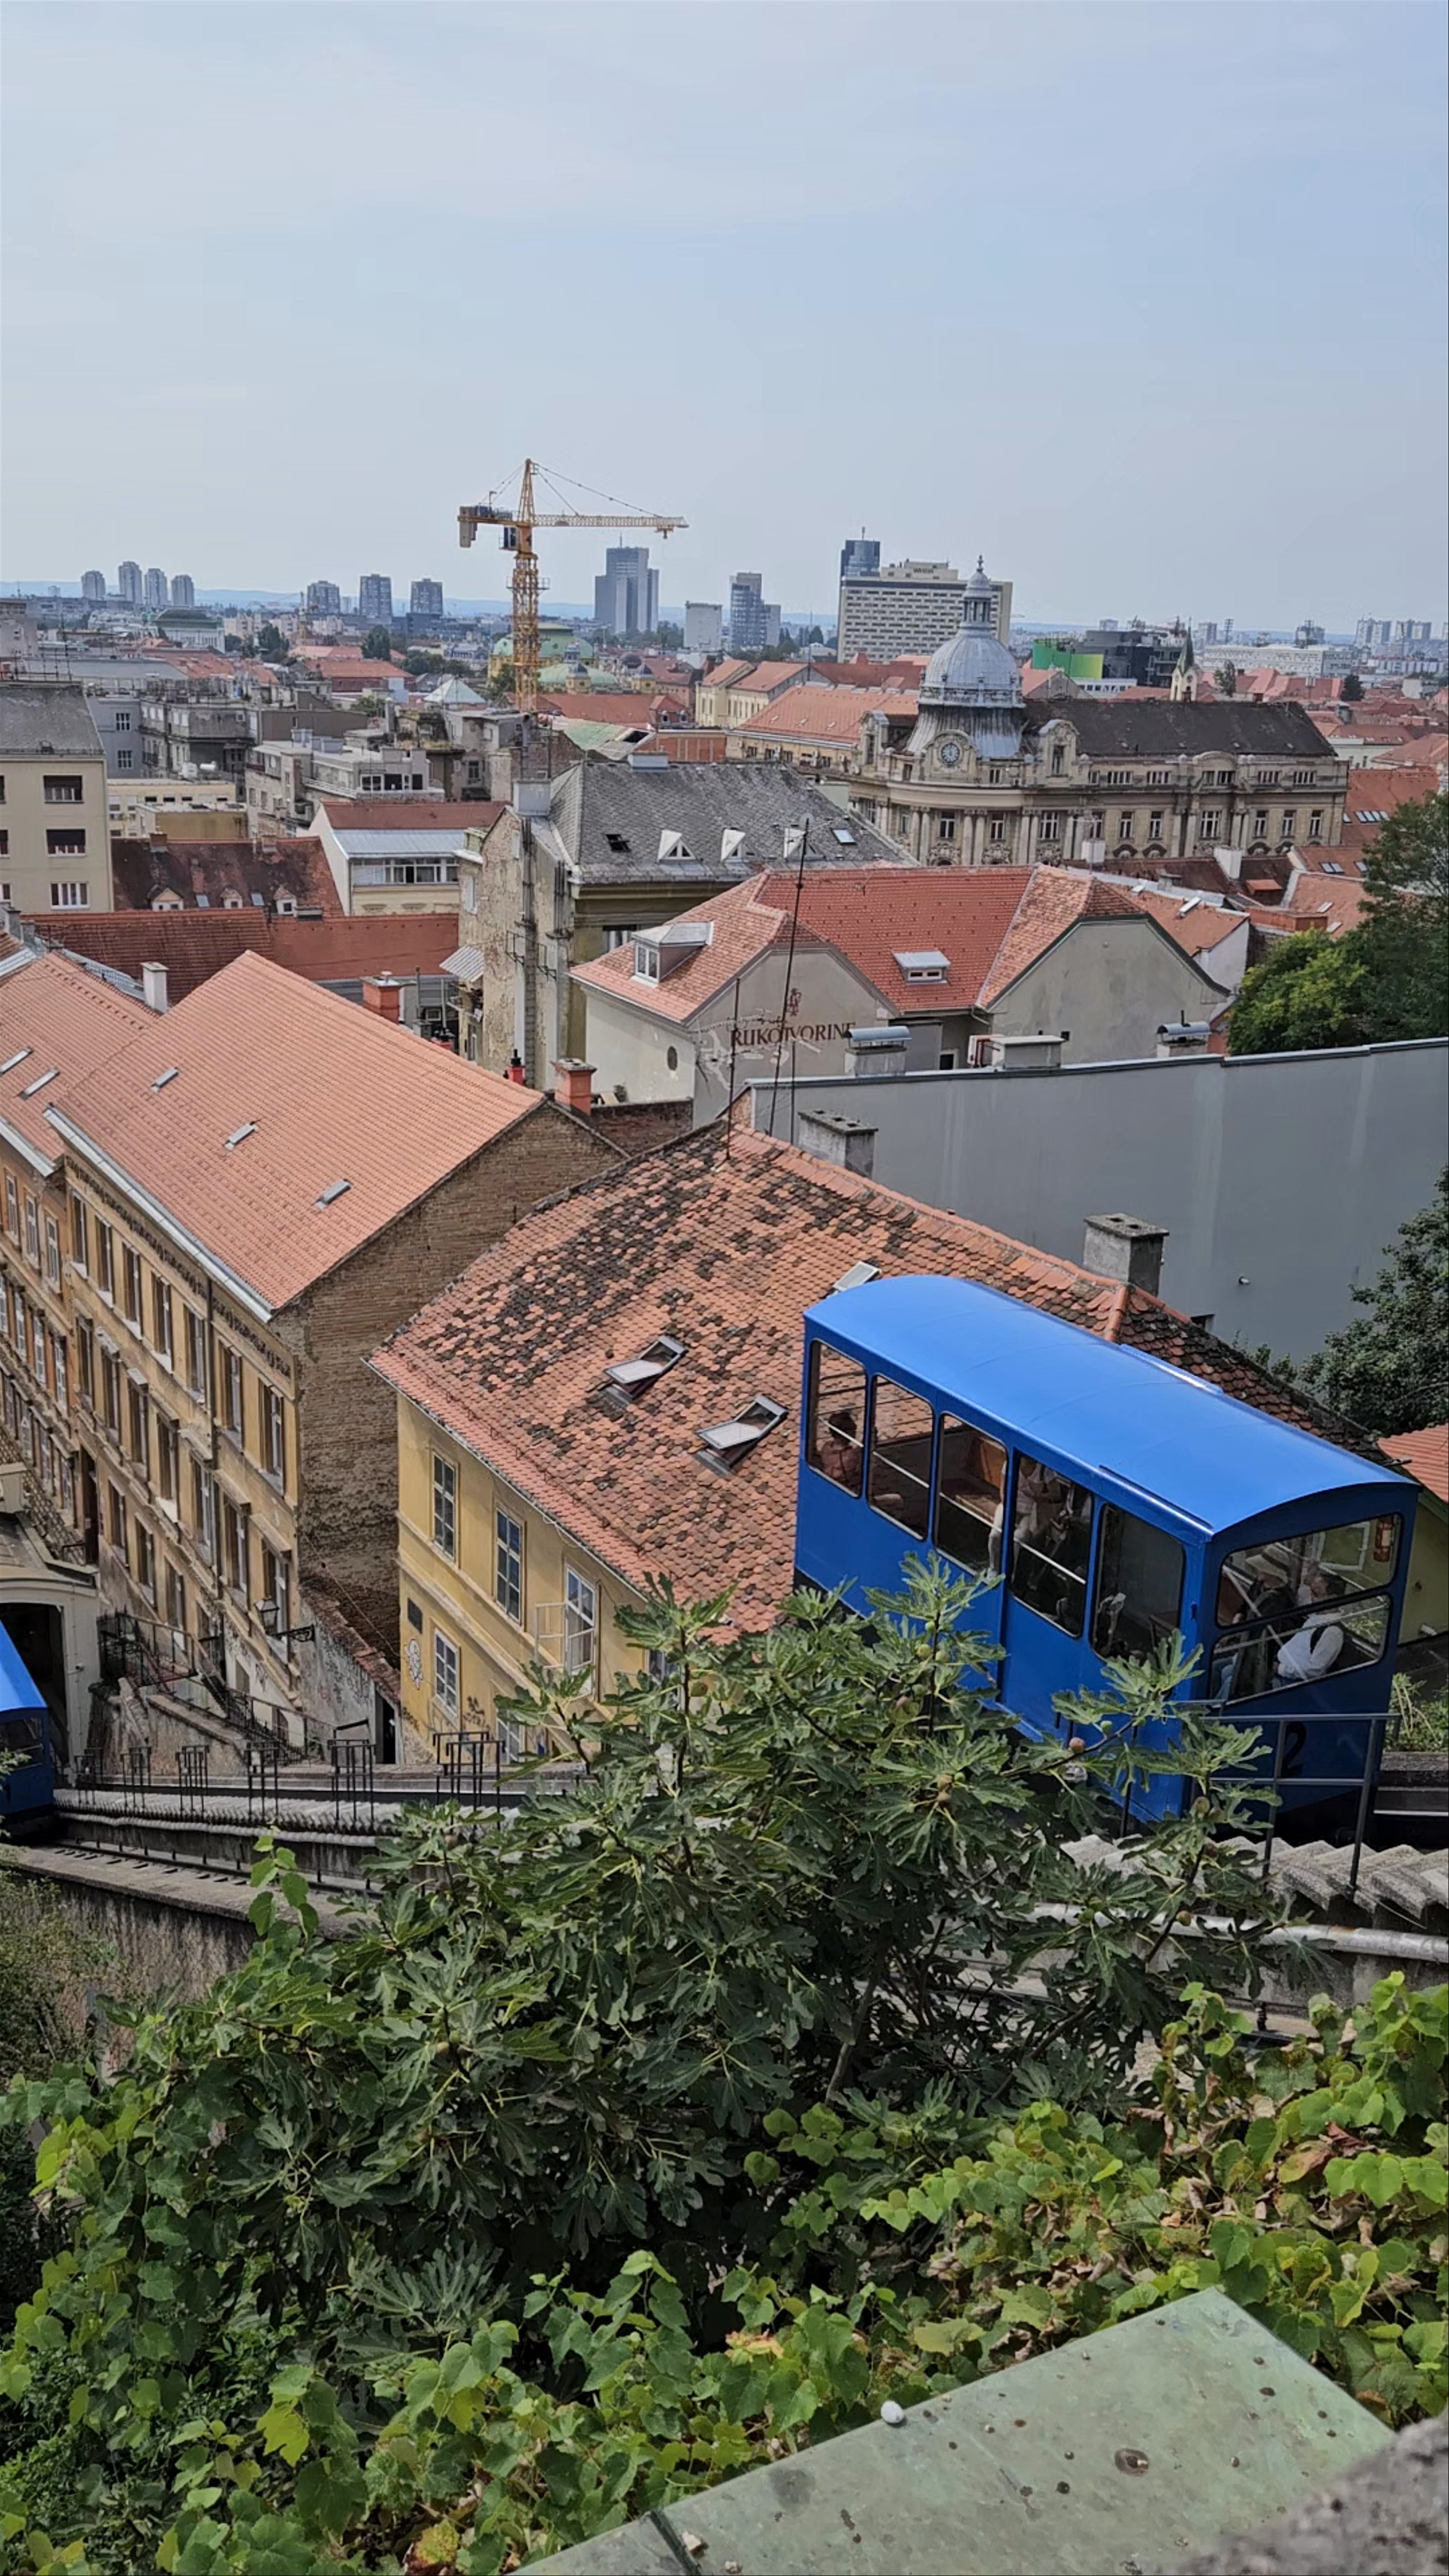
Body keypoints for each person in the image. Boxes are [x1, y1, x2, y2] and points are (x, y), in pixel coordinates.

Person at [1274, 1568, 1346, 1686]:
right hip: (1279, 1663)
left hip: (1289, 1681)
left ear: (1333, 1598)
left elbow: (1314, 1671)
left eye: (1317, 1594)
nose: (1311, 1598)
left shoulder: (1332, 1632)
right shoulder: (1316, 1615)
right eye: (1311, 1592)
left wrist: (1280, 1669)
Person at [813, 1408, 859, 1489]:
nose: (855, 1433)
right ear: (845, 1433)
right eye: (853, 1430)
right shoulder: (851, 1455)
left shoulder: (826, 1447)